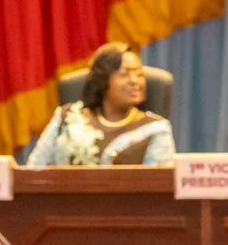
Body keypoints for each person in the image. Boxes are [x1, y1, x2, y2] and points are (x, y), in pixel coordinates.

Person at [27, 42, 176, 167]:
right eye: (125, 74)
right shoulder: (66, 117)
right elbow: (34, 170)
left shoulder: (155, 129)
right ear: (103, 80)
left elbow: (159, 188)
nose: (134, 81)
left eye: (139, 74)